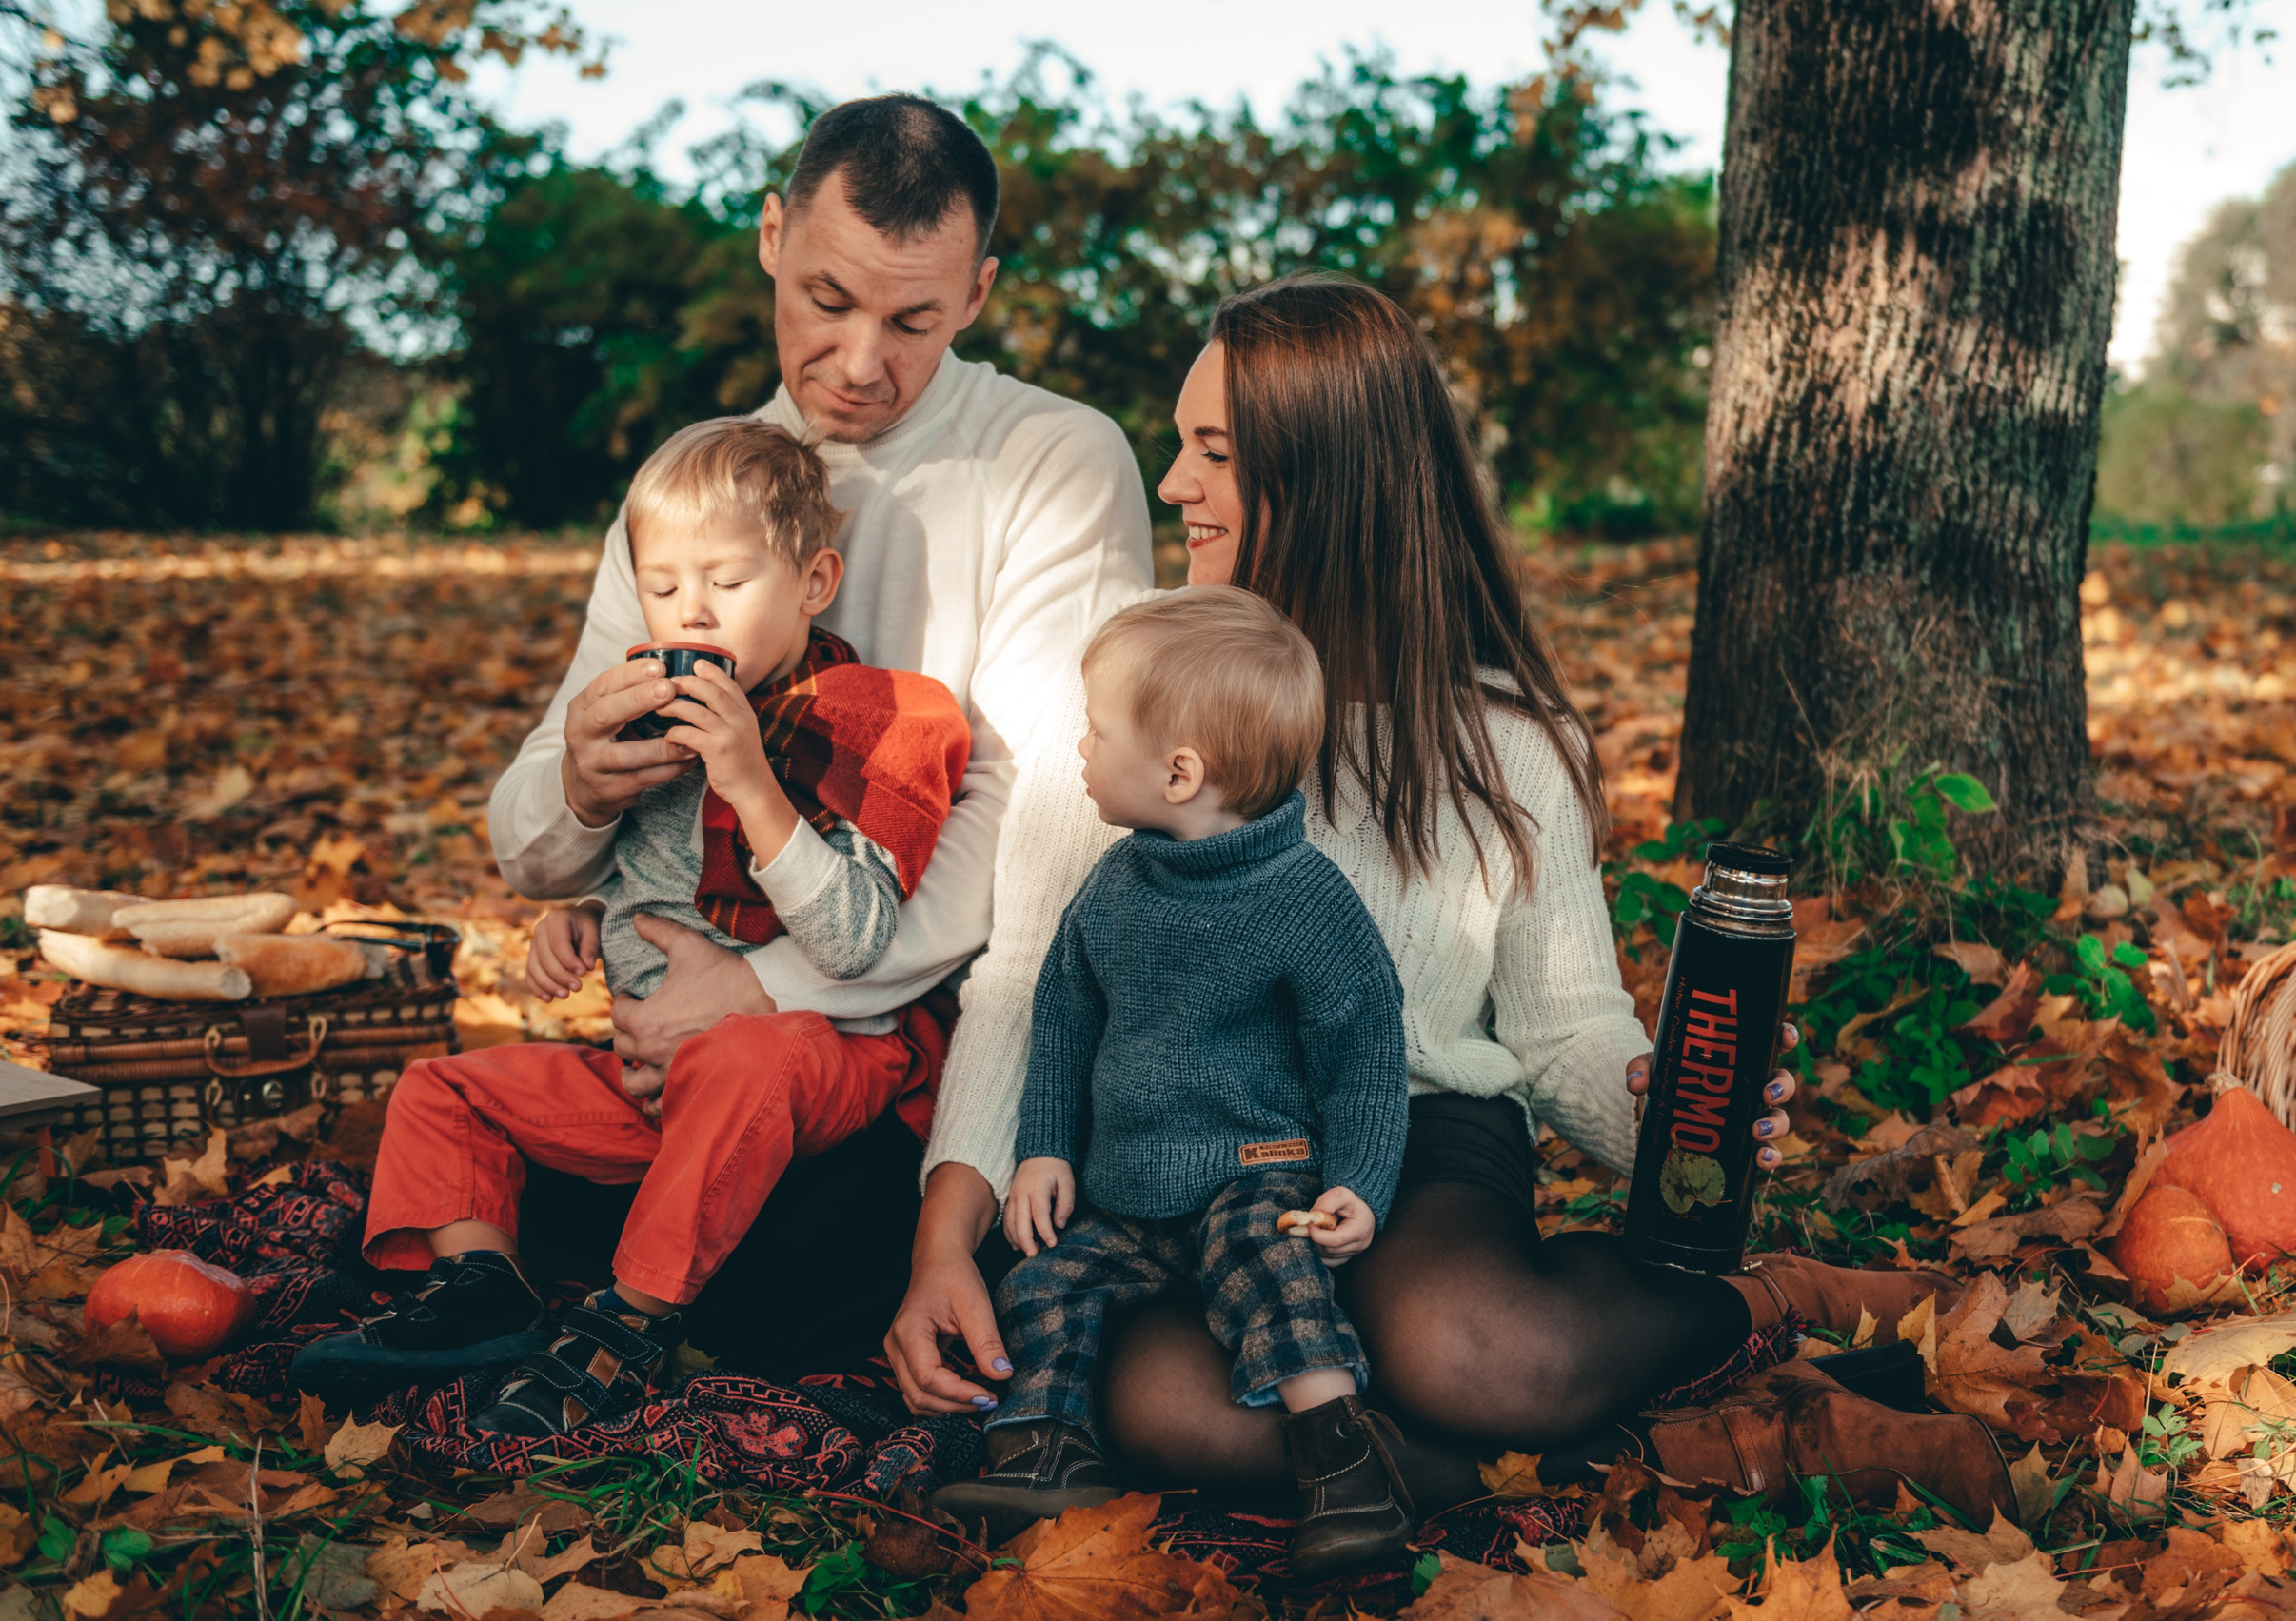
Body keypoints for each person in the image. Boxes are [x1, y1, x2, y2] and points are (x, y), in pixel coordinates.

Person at [891, 275, 2016, 1532]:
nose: (1171, 484)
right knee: (1162, 1404)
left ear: (1323, 476)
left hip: (1419, 1139)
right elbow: (1031, 976)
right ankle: (1711, 1437)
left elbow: (1565, 1026)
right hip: (1194, 1165)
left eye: (1211, 452)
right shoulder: (1130, 700)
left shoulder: (1500, 742)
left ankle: (1769, 1301)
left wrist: (1663, 1110)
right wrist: (950, 1234)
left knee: (1470, 1351)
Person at [478, 93, 1153, 1356]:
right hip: (687, 1046)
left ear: (979, 293)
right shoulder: (699, 477)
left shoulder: (1056, 459)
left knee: (782, 1281)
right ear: (773, 237)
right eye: (827, 301)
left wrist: (758, 992)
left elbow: (1032, 828)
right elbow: (534, 838)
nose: (858, 362)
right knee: (492, 1140)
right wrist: (577, 782)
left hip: (936, 1044)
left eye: (914, 321)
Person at [296, 418, 972, 1433]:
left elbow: (856, 938)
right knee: (443, 1088)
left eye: (728, 583)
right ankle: (484, 1289)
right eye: (662, 586)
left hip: (815, 1057)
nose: (688, 611)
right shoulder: (648, 718)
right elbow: (644, 874)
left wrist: (751, 781)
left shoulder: (883, 718)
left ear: (814, 580)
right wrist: (580, 916)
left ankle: (631, 1321)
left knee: (752, 1058)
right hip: (652, 1080)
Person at [933, 591, 1412, 1578]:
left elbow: (1363, 1049)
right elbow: (1063, 1017)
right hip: (1128, 1192)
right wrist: (1043, 1146)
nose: (1081, 746)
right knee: (1045, 1281)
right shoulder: (1116, 883)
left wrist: (1358, 1181)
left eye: (1098, 730)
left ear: (1180, 771)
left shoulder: (1306, 899)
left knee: (1268, 1268)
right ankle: (1044, 1447)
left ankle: (1342, 1462)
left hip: (1259, 1171)